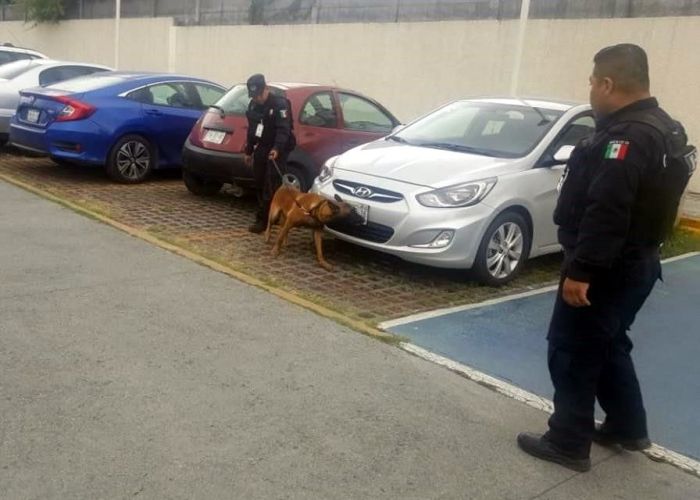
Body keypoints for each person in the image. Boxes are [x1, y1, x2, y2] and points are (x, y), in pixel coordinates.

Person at [517, 44, 695, 472]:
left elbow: (608, 209)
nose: (590, 89)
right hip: (638, 264)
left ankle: (567, 441)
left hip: (606, 268)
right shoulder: (665, 127)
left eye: (593, 81)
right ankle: (627, 427)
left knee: (572, 350)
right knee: (610, 344)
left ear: (608, 83)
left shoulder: (625, 137)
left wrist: (582, 271)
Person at [244, 73, 296, 233]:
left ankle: (264, 220)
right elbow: (252, 130)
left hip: (279, 147)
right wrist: (249, 150)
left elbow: (283, 130)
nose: (257, 98)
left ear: (266, 89)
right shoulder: (253, 105)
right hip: (263, 145)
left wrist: (277, 148)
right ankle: (268, 212)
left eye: (259, 94)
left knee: (270, 183)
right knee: (259, 180)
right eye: (254, 95)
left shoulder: (280, 104)